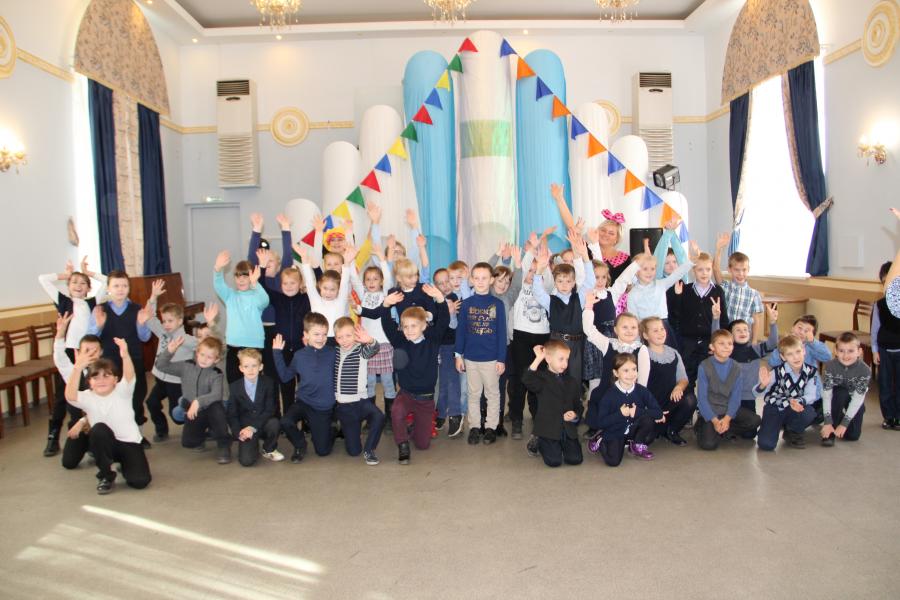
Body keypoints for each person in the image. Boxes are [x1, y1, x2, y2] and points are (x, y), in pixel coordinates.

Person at [38, 256, 106, 456]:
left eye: (83, 283)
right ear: (68, 286)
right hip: (68, 353)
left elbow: (107, 281)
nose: (78, 285)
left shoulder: (92, 302)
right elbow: (43, 279)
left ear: (88, 288)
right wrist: (65, 274)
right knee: (62, 397)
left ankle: (91, 434)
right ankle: (53, 436)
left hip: (88, 352)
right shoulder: (64, 301)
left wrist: (89, 272)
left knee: (90, 393)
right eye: (74, 282)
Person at [65, 337, 151, 494]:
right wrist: (77, 368)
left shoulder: (122, 392)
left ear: (115, 380)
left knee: (140, 481)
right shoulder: (88, 397)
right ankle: (106, 475)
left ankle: (125, 465)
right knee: (99, 429)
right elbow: (70, 396)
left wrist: (125, 355)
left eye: (106, 376)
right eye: (95, 377)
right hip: (106, 444)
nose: (101, 381)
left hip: (128, 443)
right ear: (90, 382)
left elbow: (130, 376)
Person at [376, 284, 449, 464]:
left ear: (424, 325)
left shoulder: (432, 341)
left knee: (423, 444)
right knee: (397, 410)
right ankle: (402, 444)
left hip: (425, 399)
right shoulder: (400, 341)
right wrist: (386, 305)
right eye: (405, 326)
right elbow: (387, 325)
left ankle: (413, 427)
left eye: (414, 326)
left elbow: (443, 321)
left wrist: (440, 299)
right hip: (406, 395)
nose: (409, 330)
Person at [88, 270, 152, 441]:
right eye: (116, 286)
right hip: (109, 363)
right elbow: (91, 339)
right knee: (111, 399)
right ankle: (112, 436)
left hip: (133, 359)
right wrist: (99, 326)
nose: (120, 289)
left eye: (124, 285)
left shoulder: (137, 309)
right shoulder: (100, 309)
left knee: (136, 397)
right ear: (108, 288)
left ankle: (137, 435)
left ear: (129, 288)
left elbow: (145, 338)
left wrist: (141, 324)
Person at [531, 231, 596, 382]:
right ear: (555, 282)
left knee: (574, 380)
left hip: (576, 344)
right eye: (560, 281)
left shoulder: (579, 298)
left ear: (574, 283)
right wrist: (539, 270)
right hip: (556, 343)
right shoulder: (551, 301)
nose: (564, 285)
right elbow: (537, 291)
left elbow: (590, 282)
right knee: (555, 380)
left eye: (568, 281)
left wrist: (585, 256)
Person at [582, 292, 650, 437]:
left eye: (633, 327)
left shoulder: (641, 349)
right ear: (615, 330)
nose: (629, 331)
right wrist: (588, 307)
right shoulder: (608, 343)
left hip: (628, 394)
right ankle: (596, 427)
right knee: (597, 397)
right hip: (606, 391)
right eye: (624, 327)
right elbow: (589, 330)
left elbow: (643, 381)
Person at [274, 313, 338, 462]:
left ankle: (333, 428)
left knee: (322, 451)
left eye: (324, 334)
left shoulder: (333, 353)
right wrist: (277, 353)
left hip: (323, 407)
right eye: (316, 334)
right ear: (306, 334)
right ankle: (300, 444)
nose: (321, 338)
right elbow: (285, 376)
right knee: (285, 421)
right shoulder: (299, 355)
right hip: (304, 402)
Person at [455, 262, 507, 445]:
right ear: (471, 280)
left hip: (491, 359)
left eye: (484, 278)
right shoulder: (467, 304)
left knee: (492, 394)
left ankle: (491, 427)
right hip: (470, 358)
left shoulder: (497, 304)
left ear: (491, 280)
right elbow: (461, 331)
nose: (480, 281)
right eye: (476, 278)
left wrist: (501, 359)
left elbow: (502, 334)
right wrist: (458, 355)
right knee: (473, 394)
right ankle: (475, 426)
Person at [156, 336, 230, 463]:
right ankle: (206, 433)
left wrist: (198, 401)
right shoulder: (186, 366)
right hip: (194, 411)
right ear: (197, 353)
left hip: (210, 409)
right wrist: (169, 351)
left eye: (209, 357)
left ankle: (223, 444)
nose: (204, 359)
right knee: (189, 442)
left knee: (217, 408)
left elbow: (216, 394)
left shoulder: (216, 373)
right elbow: (161, 366)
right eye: (202, 355)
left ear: (216, 359)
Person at [248, 213, 294, 416]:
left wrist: (286, 229)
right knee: (270, 376)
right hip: (262, 334)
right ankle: (274, 415)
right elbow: (252, 260)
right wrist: (256, 230)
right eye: (264, 262)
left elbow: (288, 257)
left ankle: (289, 414)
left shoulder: (280, 282)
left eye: (271, 262)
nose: (268, 265)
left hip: (280, 332)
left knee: (285, 375)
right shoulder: (257, 282)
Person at [349, 241, 397, 429]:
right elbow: (354, 280)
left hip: (384, 344)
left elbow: (389, 279)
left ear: (381, 281)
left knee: (388, 382)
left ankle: (390, 418)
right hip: (366, 345)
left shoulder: (386, 294)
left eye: (375, 279)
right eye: (368, 279)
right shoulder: (363, 295)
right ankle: (371, 418)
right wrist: (350, 261)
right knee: (368, 383)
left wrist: (382, 259)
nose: (371, 282)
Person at [507, 240, 551, 440]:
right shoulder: (518, 289)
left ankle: (538, 415)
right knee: (519, 379)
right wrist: (529, 252)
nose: (532, 274)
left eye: (536, 271)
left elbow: (546, 272)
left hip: (542, 337)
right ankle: (516, 418)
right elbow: (523, 269)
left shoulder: (545, 289)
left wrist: (542, 262)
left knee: (539, 379)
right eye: (530, 271)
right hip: (521, 336)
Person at [144, 279, 198, 443]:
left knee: (177, 417)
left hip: (176, 382)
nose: (166, 324)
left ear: (180, 321)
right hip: (160, 378)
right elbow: (149, 318)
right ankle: (161, 430)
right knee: (151, 402)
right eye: (164, 320)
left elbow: (205, 347)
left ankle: (199, 426)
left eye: (170, 321)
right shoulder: (162, 332)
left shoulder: (187, 339)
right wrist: (153, 297)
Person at [588, 353, 663, 467]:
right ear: (616, 373)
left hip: (633, 429)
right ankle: (600, 438)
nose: (631, 374)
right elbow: (601, 422)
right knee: (613, 462)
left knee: (648, 421)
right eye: (626, 370)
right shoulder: (609, 395)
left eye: (634, 369)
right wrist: (620, 414)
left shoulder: (642, 391)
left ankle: (636, 445)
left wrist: (638, 411)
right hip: (615, 430)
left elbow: (658, 413)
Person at [259, 258, 311, 416]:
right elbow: (262, 286)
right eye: (285, 283)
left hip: (302, 349)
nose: (289, 286)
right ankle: (289, 419)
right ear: (281, 285)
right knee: (287, 385)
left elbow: (317, 285)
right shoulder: (278, 298)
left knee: (305, 386)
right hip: (283, 350)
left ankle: (306, 421)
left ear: (300, 283)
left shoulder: (306, 299)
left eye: (293, 283)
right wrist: (262, 267)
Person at [695, 329, 761, 450]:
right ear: (712, 347)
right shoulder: (704, 366)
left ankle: (724, 429)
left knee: (755, 420)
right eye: (721, 343)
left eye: (730, 344)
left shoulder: (736, 367)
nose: (726, 347)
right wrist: (715, 421)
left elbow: (736, 397)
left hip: (727, 409)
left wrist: (727, 418)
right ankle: (703, 425)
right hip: (711, 410)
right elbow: (702, 399)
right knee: (708, 444)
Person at [521, 341, 583, 468]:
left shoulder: (571, 381)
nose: (565, 364)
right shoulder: (541, 379)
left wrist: (575, 415)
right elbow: (527, 379)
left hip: (567, 429)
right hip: (548, 429)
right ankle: (538, 439)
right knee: (554, 461)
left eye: (567, 359)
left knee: (575, 459)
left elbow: (578, 405)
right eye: (561, 359)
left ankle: (563, 444)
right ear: (548, 359)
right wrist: (538, 358)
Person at [331, 317, 384, 465]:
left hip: (361, 402)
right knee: (353, 451)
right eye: (340, 337)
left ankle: (369, 450)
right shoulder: (334, 352)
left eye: (348, 335)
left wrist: (370, 340)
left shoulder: (361, 350)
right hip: (344, 407)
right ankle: (348, 429)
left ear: (355, 335)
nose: (344, 340)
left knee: (379, 416)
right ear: (335, 338)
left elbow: (375, 348)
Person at [52, 313, 101, 470]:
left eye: (95, 351)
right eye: (86, 351)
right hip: (78, 425)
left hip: (101, 424)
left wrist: (84, 422)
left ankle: (98, 447)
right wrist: (60, 333)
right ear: (77, 353)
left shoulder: (107, 372)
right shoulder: (73, 372)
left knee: (105, 452)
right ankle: (86, 445)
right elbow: (59, 357)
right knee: (68, 462)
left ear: (101, 353)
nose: (90, 355)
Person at [673, 246, 728, 387]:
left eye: (708, 269)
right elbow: (677, 315)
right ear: (693, 271)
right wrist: (678, 297)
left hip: (709, 342)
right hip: (688, 342)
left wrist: (718, 342)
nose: (704, 273)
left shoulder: (718, 291)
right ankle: (688, 397)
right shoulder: (685, 290)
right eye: (700, 270)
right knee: (687, 377)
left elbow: (724, 321)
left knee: (709, 378)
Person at [213, 250, 269, 383]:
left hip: (254, 346)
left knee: (254, 384)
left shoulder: (256, 295)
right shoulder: (230, 296)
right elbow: (218, 285)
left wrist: (255, 284)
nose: (241, 279)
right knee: (234, 384)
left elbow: (264, 301)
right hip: (234, 346)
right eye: (238, 276)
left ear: (252, 277)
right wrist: (217, 269)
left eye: (245, 275)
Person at [756, 335, 819, 451]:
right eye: (790, 354)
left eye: (798, 352)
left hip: (794, 407)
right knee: (766, 445)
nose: (796, 357)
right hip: (776, 407)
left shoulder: (811, 372)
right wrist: (763, 385)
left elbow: (811, 395)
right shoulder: (777, 372)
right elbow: (756, 394)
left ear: (804, 351)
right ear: (783, 357)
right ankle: (769, 427)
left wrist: (798, 402)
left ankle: (791, 430)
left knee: (809, 413)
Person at [640, 316, 696, 446]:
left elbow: (683, 379)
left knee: (690, 400)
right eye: (655, 330)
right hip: (651, 405)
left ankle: (672, 430)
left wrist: (679, 387)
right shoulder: (643, 353)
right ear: (645, 335)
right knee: (646, 440)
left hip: (670, 402)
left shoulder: (674, 353)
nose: (660, 333)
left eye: (662, 329)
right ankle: (657, 428)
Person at [627, 243, 695, 346]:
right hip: (645, 329)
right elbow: (634, 318)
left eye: (652, 269)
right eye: (645, 269)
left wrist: (692, 261)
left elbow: (677, 274)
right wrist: (636, 341)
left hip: (663, 326)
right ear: (636, 272)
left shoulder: (661, 284)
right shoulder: (632, 294)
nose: (649, 272)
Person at [227, 348, 284, 466]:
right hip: (245, 429)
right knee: (246, 461)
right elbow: (232, 414)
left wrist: (253, 427)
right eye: (246, 366)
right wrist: (238, 432)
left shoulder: (268, 383)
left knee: (274, 423)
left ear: (261, 367)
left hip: (263, 423)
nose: (251, 370)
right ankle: (253, 445)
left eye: (254, 366)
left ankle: (268, 448)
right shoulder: (234, 387)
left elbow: (270, 410)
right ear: (241, 368)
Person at [295, 241, 355, 341]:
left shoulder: (340, 300)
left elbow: (344, 282)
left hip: (337, 341)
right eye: (325, 289)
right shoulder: (315, 299)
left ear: (338, 290)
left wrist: (347, 263)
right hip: (318, 340)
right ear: (320, 287)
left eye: (332, 290)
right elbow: (309, 282)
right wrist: (304, 259)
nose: (328, 292)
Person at [729, 303, 779, 417]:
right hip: (729, 395)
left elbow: (772, 343)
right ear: (731, 335)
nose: (742, 332)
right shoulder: (727, 350)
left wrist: (772, 323)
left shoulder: (755, 349)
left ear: (750, 333)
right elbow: (715, 338)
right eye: (738, 330)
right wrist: (716, 318)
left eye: (745, 330)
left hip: (749, 396)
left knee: (751, 426)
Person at [820, 332, 871, 446]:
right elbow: (827, 395)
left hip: (854, 397)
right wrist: (828, 421)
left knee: (853, 436)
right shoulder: (830, 366)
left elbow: (858, 398)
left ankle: (843, 418)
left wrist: (844, 423)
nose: (845, 355)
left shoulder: (865, 370)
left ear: (859, 352)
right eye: (841, 351)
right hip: (836, 397)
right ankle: (830, 430)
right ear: (835, 351)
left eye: (851, 351)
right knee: (840, 392)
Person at [713, 234, 765, 341]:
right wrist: (719, 249)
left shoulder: (754, 294)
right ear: (729, 269)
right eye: (737, 270)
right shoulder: (725, 286)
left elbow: (756, 319)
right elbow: (716, 269)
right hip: (726, 335)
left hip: (743, 338)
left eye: (744, 270)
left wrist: (754, 341)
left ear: (748, 269)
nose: (741, 274)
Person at [433, 268, 464, 438]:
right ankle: (440, 413)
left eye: (447, 281)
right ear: (435, 286)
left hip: (452, 346)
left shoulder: (453, 298)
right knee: (443, 381)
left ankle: (455, 414)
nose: (445, 285)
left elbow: (453, 325)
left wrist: (450, 313)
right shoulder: (436, 300)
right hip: (439, 346)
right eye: (440, 283)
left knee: (452, 381)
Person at [873, 259, 900, 429]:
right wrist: (875, 350)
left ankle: (898, 416)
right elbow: (875, 329)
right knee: (885, 385)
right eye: (885, 283)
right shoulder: (879, 304)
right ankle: (888, 416)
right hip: (884, 349)